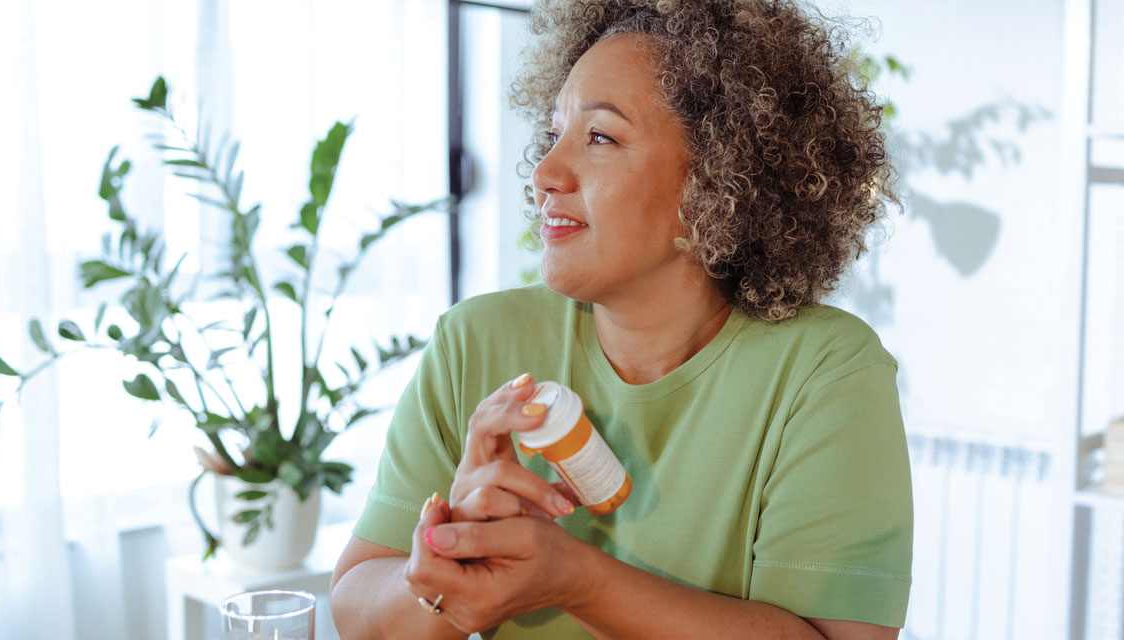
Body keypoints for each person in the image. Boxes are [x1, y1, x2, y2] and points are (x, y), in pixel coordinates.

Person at [330, 0, 913, 637]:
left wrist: (576, 580)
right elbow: (356, 611)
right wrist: (449, 562)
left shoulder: (823, 372)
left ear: (719, 179)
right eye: (554, 133)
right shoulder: (474, 343)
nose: (544, 174)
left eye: (601, 137)